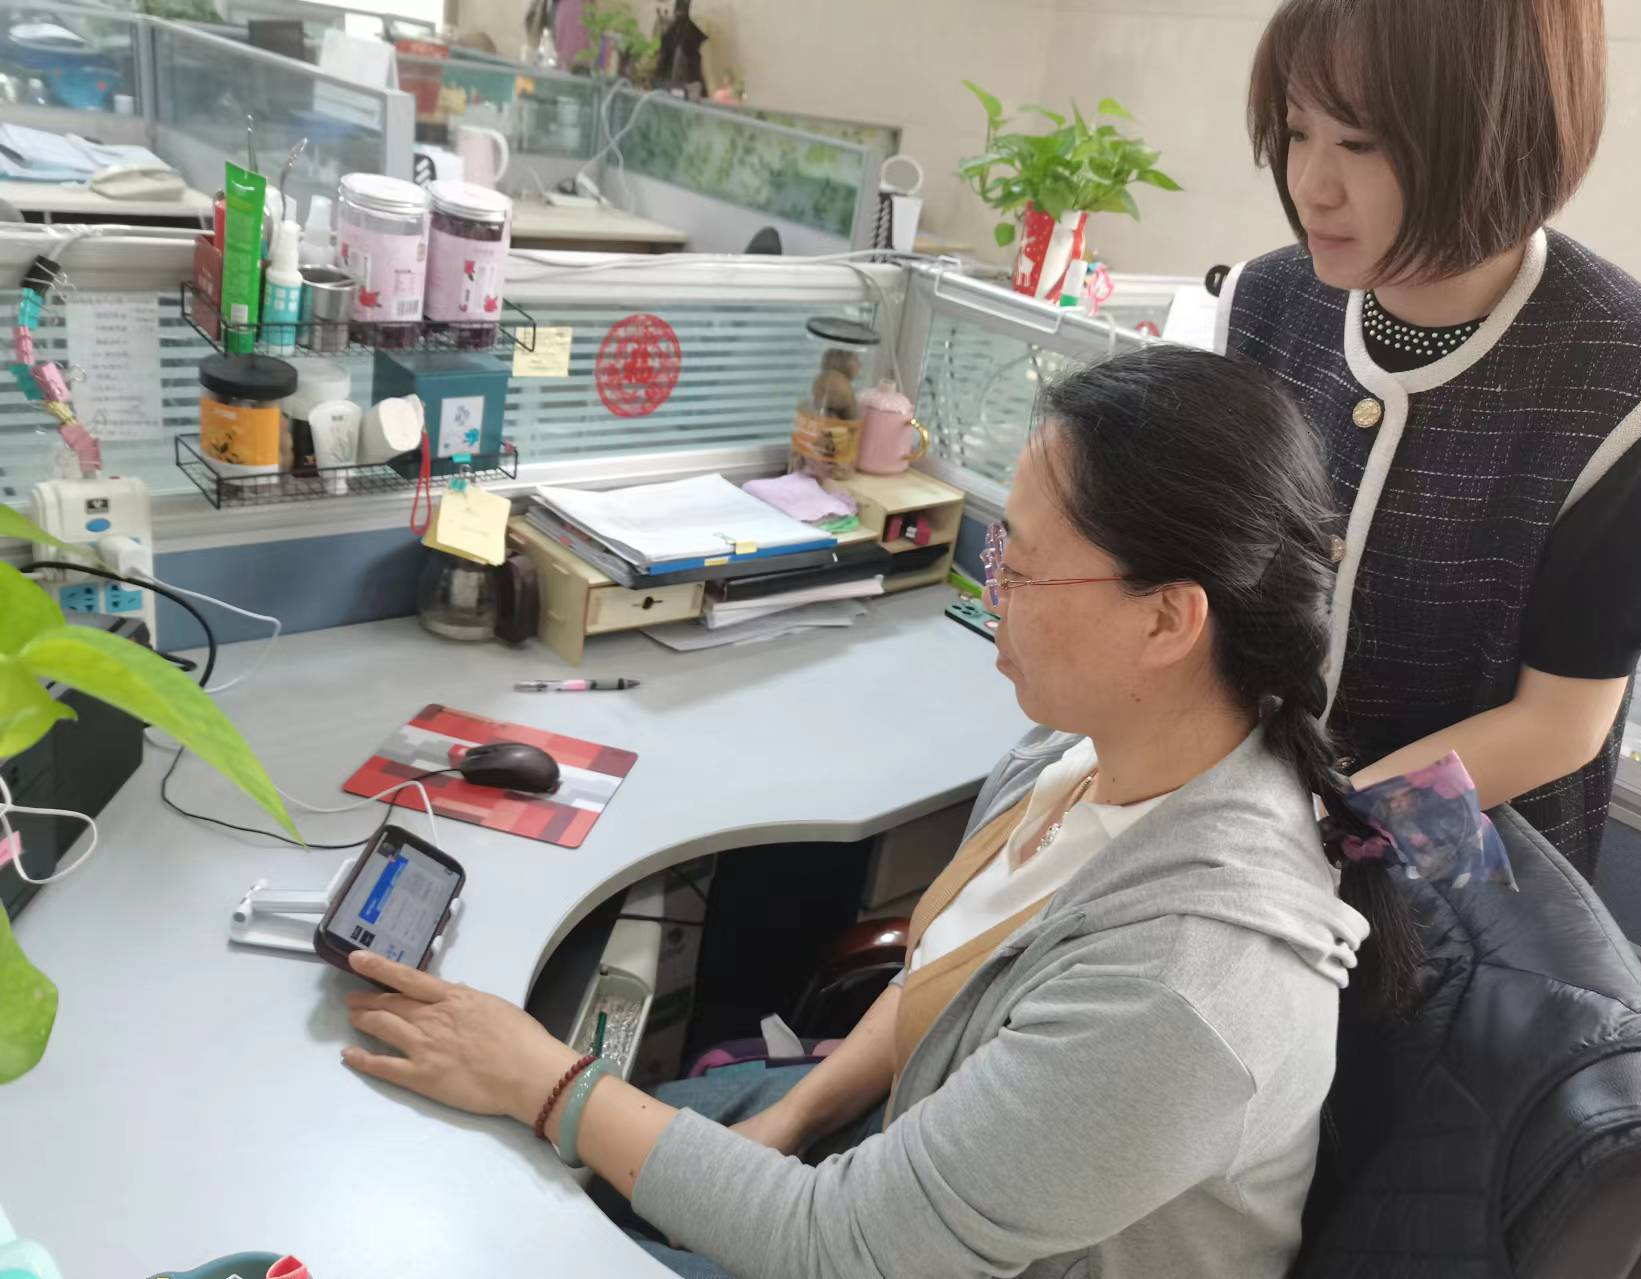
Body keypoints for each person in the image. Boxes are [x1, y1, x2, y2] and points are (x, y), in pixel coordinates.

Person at [340, 348, 1510, 1279]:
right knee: (486, 1166)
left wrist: (547, 1080)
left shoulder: (1189, 989)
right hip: (894, 1169)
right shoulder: (1087, 750)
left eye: (1019, 568)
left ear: (1166, 620)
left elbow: (842, 1246)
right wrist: (792, 1112)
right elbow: (948, 972)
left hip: (887, 1245)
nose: (988, 593)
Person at [1217, 0, 1641, 876]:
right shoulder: (1268, 301)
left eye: (1361, 143)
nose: (1311, 185)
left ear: (1497, 134)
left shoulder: (1631, 376)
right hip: (1243, 825)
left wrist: (1322, 842)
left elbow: (1560, 723)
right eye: (1295, 131)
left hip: (1461, 879)